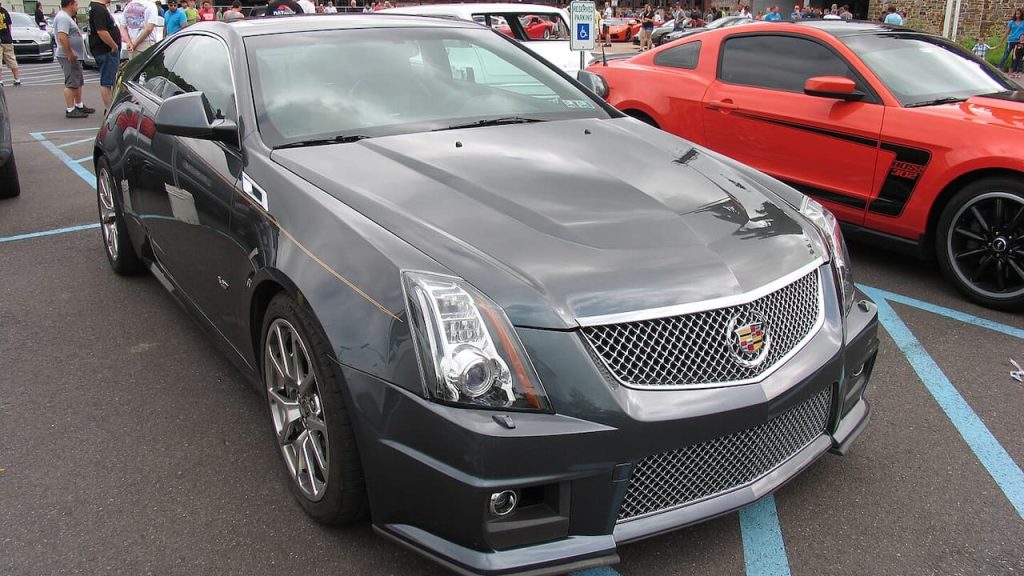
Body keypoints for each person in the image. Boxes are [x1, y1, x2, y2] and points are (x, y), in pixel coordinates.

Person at [54, 0, 95, 118]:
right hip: (68, 55)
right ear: (70, 4)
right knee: (71, 83)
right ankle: (70, 109)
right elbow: (62, 37)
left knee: (77, 81)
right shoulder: (63, 18)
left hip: (74, 55)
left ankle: (79, 105)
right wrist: (69, 53)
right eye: (76, 5)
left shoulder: (67, 17)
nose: (78, 7)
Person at [88, 0, 121, 111]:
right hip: (106, 50)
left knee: (110, 80)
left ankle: (110, 106)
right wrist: (113, 45)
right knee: (107, 81)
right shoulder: (98, 9)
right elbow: (101, 31)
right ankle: (109, 109)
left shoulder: (98, 7)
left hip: (106, 50)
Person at [0, 1, 20, 86]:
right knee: (12, 59)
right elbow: (9, 26)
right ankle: (17, 79)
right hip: (7, 40)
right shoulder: (5, 11)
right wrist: (9, 36)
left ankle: (0, 80)